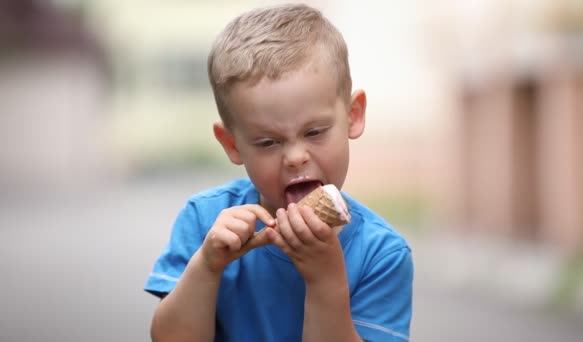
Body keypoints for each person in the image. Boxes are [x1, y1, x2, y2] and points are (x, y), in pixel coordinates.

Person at [144, 3, 413, 341]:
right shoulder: (206, 222)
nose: (295, 157)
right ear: (232, 144)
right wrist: (207, 266)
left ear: (353, 116)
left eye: (314, 132)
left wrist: (325, 281)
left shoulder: (381, 254)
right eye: (268, 142)